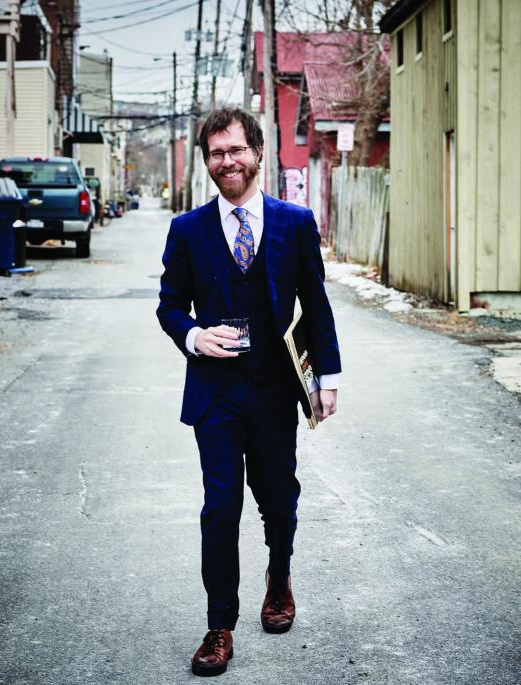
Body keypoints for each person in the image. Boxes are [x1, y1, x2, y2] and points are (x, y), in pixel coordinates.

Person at [154, 107, 343, 677]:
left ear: (258, 153)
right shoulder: (188, 230)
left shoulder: (293, 223)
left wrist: (326, 379)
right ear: (207, 162)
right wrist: (192, 335)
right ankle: (219, 626)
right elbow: (168, 305)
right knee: (220, 508)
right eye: (216, 153)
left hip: (273, 391)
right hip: (214, 393)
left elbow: (317, 305)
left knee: (278, 497)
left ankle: (279, 575)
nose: (226, 161)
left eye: (235, 150)